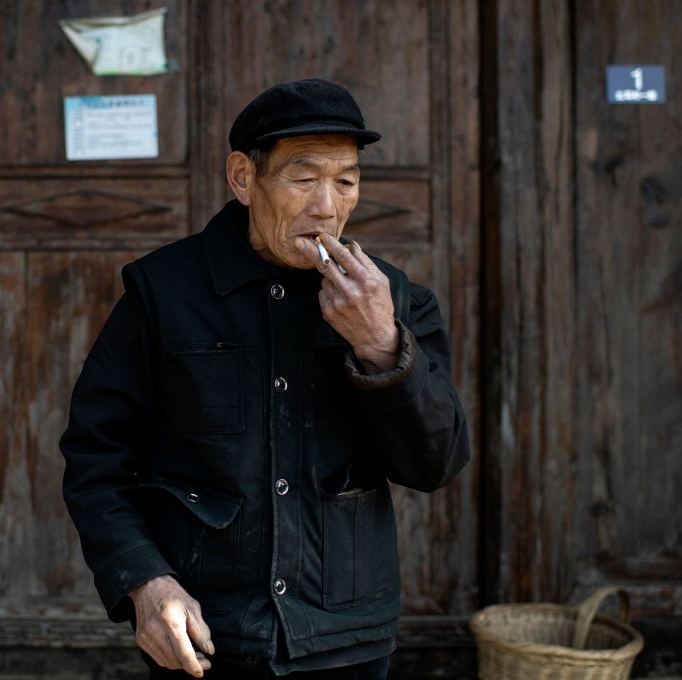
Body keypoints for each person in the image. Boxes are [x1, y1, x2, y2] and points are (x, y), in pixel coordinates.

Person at [60, 78, 470, 679]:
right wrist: (145, 583)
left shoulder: (395, 302)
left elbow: (435, 465)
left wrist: (381, 347)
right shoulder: (163, 293)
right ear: (243, 178)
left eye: (346, 181)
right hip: (206, 634)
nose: (327, 206)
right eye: (303, 179)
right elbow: (97, 455)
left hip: (347, 638)